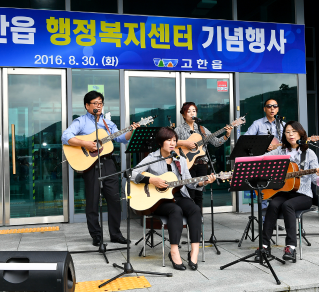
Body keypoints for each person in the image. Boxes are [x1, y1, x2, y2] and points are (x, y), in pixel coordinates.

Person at [132, 127, 216, 271]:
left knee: (195, 209)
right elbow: (132, 174)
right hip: (159, 201)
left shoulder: (180, 159)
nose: (172, 143)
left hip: (178, 195)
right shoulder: (151, 158)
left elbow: (190, 182)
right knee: (175, 211)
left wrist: (205, 182)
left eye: (174, 140)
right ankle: (174, 251)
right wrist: (151, 180)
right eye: (168, 140)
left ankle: (194, 251)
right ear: (160, 142)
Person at [61, 91, 140, 247]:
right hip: (90, 165)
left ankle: (116, 234)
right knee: (92, 201)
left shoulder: (107, 123)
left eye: (101, 103)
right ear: (87, 106)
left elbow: (121, 138)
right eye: (95, 103)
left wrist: (132, 130)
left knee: (115, 200)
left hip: (108, 163)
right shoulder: (81, 121)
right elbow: (66, 136)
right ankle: (96, 235)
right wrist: (85, 144)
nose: (99, 106)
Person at [260, 121, 319, 262]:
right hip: (283, 192)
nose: (290, 134)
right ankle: (264, 246)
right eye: (287, 132)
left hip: (303, 195)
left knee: (287, 206)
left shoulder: (309, 154)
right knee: (272, 205)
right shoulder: (280, 151)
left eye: (294, 131)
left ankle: (291, 247)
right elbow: (263, 160)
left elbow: (316, 180)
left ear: (301, 133)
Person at [174, 102, 232, 211]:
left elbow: (216, 142)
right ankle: (189, 219)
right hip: (188, 165)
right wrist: (185, 143)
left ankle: (198, 221)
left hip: (202, 165)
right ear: (183, 115)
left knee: (199, 194)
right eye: (189, 111)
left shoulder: (202, 129)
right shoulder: (179, 129)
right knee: (190, 194)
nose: (192, 113)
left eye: (194, 111)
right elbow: (171, 142)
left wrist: (227, 135)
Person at [244, 98, 285, 227]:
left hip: (278, 162)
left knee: (277, 191)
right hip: (262, 162)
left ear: (278, 109)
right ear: (264, 109)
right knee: (264, 192)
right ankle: (264, 222)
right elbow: (246, 141)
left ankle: (273, 220)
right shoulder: (257, 124)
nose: (272, 108)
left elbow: (288, 142)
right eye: (269, 106)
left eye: (275, 106)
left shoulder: (282, 125)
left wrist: (277, 146)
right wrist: (262, 146)